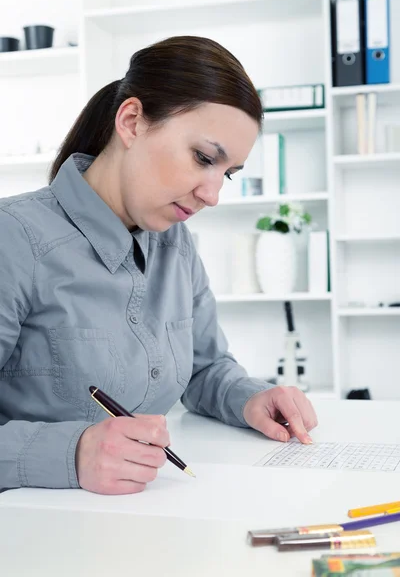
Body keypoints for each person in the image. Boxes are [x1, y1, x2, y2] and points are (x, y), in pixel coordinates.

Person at [0, 35, 317, 495]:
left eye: (225, 173)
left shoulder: (176, 244)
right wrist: (70, 453)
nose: (213, 195)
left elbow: (205, 369)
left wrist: (251, 398)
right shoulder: (14, 237)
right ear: (131, 122)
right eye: (203, 158)